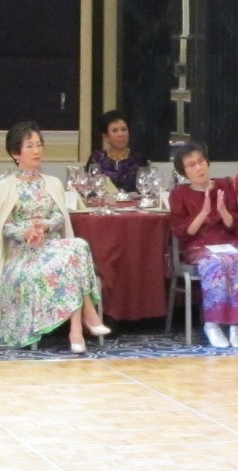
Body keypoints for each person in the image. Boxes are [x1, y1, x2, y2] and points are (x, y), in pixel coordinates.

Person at [0, 121, 111, 353]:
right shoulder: (5, 186)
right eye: (30, 146)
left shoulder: (52, 183)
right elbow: (5, 225)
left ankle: (76, 330)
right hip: (23, 254)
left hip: (52, 247)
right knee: (74, 256)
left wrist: (46, 225)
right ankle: (87, 318)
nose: (37, 150)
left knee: (77, 247)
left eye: (39, 145)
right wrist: (25, 232)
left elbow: (60, 218)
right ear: (16, 153)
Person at [170, 141, 238, 348]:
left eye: (201, 162)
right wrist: (204, 213)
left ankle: (236, 324)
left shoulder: (224, 185)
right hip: (199, 246)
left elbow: (235, 224)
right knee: (216, 264)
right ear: (184, 171)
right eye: (191, 165)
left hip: (228, 244)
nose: (199, 167)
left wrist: (223, 212)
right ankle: (212, 324)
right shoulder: (179, 194)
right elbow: (184, 232)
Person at [85, 110, 148, 192]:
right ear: (106, 136)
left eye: (124, 129)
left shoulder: (139, 159)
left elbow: (146, 189)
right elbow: (87, 188)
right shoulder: (96, 159)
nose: (121, 134)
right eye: (115, 131)